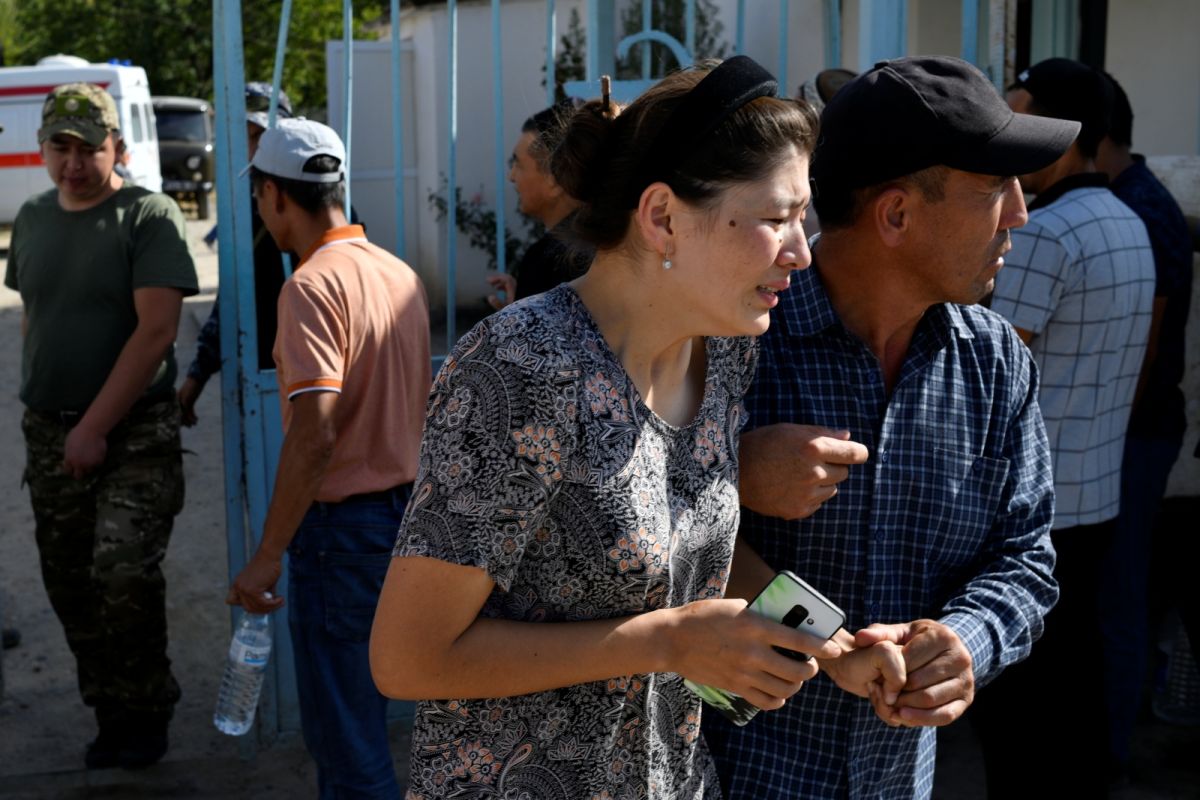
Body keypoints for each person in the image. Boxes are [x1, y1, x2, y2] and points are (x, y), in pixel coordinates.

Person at [369, 57, 880, 799]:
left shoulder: (726, 347)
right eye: (776, 219)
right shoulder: (525, 367)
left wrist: (832, 646)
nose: (802, 252)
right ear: (664, 216)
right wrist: (670, 642)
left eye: (803, 218)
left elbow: (679, 547)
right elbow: (409, 656)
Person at [702, 56, 1071, 798]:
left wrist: (963, 643)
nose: (1021, 214)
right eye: (992, 187)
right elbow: (624, 549)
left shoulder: (993, 361)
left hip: (899, 779)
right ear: (896, 214)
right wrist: (727, 477)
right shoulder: (730, 340)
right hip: (729, 775)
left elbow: (1025, 558)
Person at [226, 118, 431, 798]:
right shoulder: (396, 272)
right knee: (373, 722)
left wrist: (265, 555)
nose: (263, 213)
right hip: (403, 524)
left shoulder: (311, 287)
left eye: (260, 198)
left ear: (274, 195)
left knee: (348, 743)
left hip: (341, 538)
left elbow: (314, 434)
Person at [974, 58, 1156, 798]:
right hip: (1098, 492)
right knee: (1077, 687)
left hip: (1034, 511)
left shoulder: (1045, 234)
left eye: (1025, 123)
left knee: (1023, 718)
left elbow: (986, 376)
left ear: (1069, 134)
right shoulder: (1129, 220)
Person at [5, 83, 198, 769]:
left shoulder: (147, 214)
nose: (74, 162)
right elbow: (38, 312)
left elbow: (156, 333)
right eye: (61, 147)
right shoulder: (30, 218)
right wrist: (54, 413)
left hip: (133, 433)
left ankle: (146, 710)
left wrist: (91, 428)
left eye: (89, 147)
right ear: (43, 148)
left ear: (117, 146)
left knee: (120, 571)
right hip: (48, 430)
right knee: (70, 583)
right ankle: (110, 709)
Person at [1093, 70, 1194, 780]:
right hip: (1131, 432)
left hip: (1135, 432)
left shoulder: (1141, 209)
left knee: (1120, 598)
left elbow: (1147, 342)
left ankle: (1113, 753)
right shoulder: (1133, 199)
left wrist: (1104, 425)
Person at [177, 82, 295, 426]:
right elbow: (232, 296)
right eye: (241, 137)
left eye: (259, 135)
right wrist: (196, 376)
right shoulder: (243, 203)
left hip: (312, 372)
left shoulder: (316, 201)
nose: (250, 149)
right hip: (258, 367)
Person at [485, 99, 592, 310]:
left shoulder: (549, 262)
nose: (511, 176)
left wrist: (515, 325)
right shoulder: (612, 241)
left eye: (518, 164)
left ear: (555, 178)